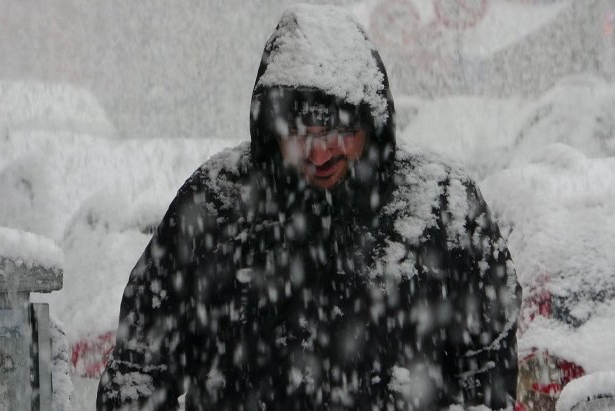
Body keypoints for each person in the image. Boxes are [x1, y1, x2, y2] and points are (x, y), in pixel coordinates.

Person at [97, 4, 521, 410]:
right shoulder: (216, 206)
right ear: (271, 130)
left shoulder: (440, 206)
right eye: (299, 132)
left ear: (373, 121)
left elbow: (487, 370)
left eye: (338, 128)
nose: (319, 153)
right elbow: (138, 372)